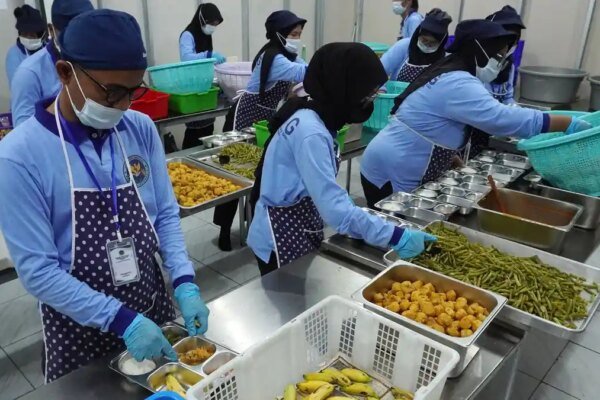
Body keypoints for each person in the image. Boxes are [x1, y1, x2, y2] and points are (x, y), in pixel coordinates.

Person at [0, 9, 209, 383]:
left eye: (133, 91)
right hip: (78, 331)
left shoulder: (139, 129)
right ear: (66, 73)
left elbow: (164, 214)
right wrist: (121, 320)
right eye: (112, 92)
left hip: (150, 309)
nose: (124, 105)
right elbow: (38, 272)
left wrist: (183, 280)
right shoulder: (19, 156)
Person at [247, 42, 436, 276]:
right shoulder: (312, 133)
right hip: (280, 235)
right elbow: (336, 211)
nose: (371, 99)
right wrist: (397, 236)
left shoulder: (311, 114)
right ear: (344, 88)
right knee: (285, 297)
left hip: (296, 223)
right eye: (368, 93)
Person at [360, 20, 592, 208]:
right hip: (392, 169)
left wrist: (448, 155)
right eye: (498, 56)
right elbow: (501, 120)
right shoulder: (458, 82)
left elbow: (430, 122)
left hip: (400, 159)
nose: (500, 63)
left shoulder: (453, 70)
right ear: (480, 52)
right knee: (395, 228)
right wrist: (567, 123)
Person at [215, 10, 308, 252]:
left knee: (256, 172)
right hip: (244, 115)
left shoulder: (286, 55)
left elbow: (303, 69)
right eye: (293, 34)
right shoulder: (274, 58)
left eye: (299, 34)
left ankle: (252, 223)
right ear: (279, 34)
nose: (297, 38)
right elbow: (303, 73)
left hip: (263, 118)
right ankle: (224, 229)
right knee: (233, 171)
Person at [10, 0, 93, 127]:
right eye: (69, 33)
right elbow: (24, 130)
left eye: (86, 33)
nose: (78, 40)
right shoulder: (28, 73)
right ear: (51, 30)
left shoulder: (97, 62)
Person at [467, 6, 527, 157]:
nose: (508, 46)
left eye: (513, 41)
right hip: (470, 129)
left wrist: (516, 111)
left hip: (493, 129)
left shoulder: (508, 66)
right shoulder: (473, 62)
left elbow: (507, 97)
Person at [179, 3, 226, 149]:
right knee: (194, 130)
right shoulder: (188, 35)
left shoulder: (206, 35)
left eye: (216, 24)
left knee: (207, 127)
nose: (213, 27)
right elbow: (186, 58)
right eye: (212, 23)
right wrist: (209, 55)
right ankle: (188, 154)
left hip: (204, 83)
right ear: (203, 19)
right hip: (192, 86)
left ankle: (204, 153)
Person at [381, 8, 451, 82]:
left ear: (441, 43)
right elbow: (380, 71)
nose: (427, 45)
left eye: (432, 43)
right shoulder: (403, 46)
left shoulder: (444, 60)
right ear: (418, 34)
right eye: (424, 40)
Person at [5, 5, 47, 88]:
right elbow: (19, 87)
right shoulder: (14, 55)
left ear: (41, 35)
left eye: (32, 35)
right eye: (24, 34)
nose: (28, 38)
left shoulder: (48, 49)